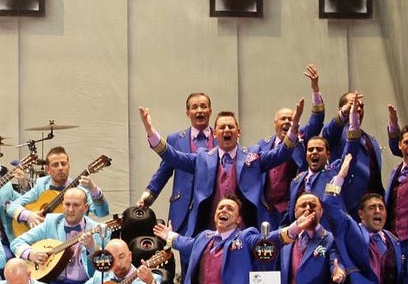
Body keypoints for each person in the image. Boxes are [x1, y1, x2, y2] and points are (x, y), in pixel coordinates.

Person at [139, 100, 304, 230]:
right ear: (215, 133)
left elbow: (282, 153)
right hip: (209, 232)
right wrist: (150, 132)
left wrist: (294, 126)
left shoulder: (253, 157)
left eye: (231, 127)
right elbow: (173, 157)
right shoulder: (202, 158)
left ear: (238, 132)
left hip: (246, 231)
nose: (226, 130)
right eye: (222, 127)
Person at [250, 65, 326, 224]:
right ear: (275, 124)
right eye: (283, 119)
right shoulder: (261, 146)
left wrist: (315, 89)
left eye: (290, 119)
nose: (287, 122)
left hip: (292, 209)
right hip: (266, 211)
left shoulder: (301, 138)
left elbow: (317, 119)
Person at [136, 91, 213, 239]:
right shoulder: (176, 139)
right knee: (186, 257)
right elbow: (164, 171)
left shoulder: (221, 137)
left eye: (203, 106)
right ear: (188, 113)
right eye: (194, 107)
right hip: (184, 209)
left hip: (213, 208)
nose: (199, 111)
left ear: (210, 111)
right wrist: (148, 195)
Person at [10, 187, 106, 284]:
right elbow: (16, 243)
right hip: (50, 282)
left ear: (85, 208)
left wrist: (92, 248)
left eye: (76, 205)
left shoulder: (99, 230)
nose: (70, 209)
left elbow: (105, 269)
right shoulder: (51, 223)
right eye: (67, 204)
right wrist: (31, 254)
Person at [7, 147, 110, 230]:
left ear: (69, 166)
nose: (60, 168)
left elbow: (102, 213)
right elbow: (12, 206)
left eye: (63, 164)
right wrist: (29, 216)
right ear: (47, 169)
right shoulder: (41, 185)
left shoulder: (81, 190)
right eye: (55, 165)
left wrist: (93, 189)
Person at [321, 90, 384, 194]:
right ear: (342, 109)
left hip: (373, 198)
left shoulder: (370, 140)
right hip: (348, 198)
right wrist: (344, 113)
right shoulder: (336, 133)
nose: (358, 109)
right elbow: (328, 133)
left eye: (361, 106)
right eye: (352, 104)